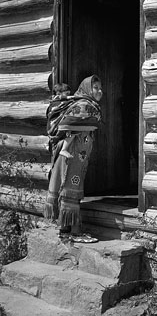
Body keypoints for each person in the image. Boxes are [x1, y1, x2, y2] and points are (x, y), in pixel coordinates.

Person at [44, 75, 103, 242]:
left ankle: (65, 230)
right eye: (96, 87)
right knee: (71, 191)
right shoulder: (84, 105)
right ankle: (75, 233)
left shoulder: (85, 104)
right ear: (86, 88)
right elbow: (70, 128)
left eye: (100, 87)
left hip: (75, 156)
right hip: (71, 156)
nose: (100, 91)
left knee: (68, 190)